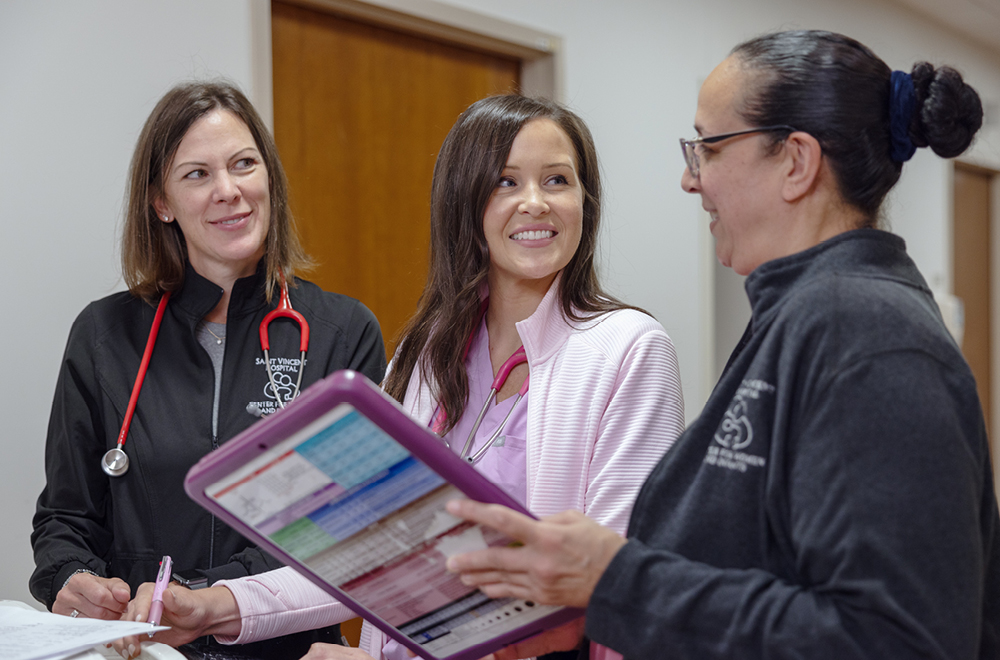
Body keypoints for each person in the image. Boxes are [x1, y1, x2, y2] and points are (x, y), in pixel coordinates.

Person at [443, 30, 1000, 660]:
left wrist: (615, 580)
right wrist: (597, 612)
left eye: (706, 147)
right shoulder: (798, 318)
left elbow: (898, 639)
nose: (688, 178)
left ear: (796, 161)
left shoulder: (869, 334)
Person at [112, 94, 686, 660]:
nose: (535, 203)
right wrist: (215, 606)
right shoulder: (427, 352)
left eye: (558, 180)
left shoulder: (628, 351)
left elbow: (615, 595)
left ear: (586, 199)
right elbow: (364, 552)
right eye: (505, 182)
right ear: (464, 203)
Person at [31, 81, 387, 659]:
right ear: (162, 202)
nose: (229, 191)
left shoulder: (341, 336)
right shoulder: (104, 336)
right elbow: (65, 516)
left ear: (268, 176)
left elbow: (348, 529)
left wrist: (202, 597)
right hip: (141, 651)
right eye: (197, 174)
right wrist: (69, 577)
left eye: (244, 164)